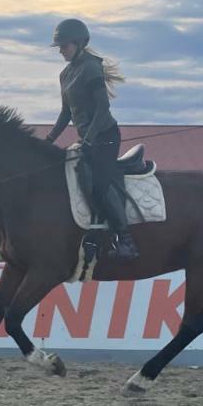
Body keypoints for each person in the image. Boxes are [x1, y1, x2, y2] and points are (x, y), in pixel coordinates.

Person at [45, 18, 139, 260]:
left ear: (79, 43)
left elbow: (102, 108)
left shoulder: (91, 67)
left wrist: (90, 138)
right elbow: (66, 113)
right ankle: (92, 234)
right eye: (59, 47)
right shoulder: (65, 74)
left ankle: (126, 240)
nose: (61, 51)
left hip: (105, 136)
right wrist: (49, 139)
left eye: (64, 46)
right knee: (77, 178)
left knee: (99, 181)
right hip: (87, 138)